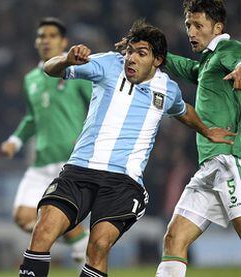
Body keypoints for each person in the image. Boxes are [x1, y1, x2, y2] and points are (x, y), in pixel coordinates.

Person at [18, 19, 235, 277]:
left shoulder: (167, 88)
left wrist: (206, 130)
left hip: (124, 182)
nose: (131, 58)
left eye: (141, 53)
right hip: (79, 170)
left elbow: (183, 110)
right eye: (130, 51)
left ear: (157, 60)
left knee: (98, 246)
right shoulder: (108, 64)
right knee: (43, 230)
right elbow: (49, 69)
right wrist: (66, 60)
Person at [154, 1, 241, 276]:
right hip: (209, 167)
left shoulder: (227, 50)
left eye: (198, 25)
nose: (191, 31)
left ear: (218, 28)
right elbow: (188, 69)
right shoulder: (208, 63)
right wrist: (154, 53)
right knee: (174, 238)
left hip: (230, 160)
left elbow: (239, 60)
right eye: (188, 25)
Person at [1, 17, 91, 261]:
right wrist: (15, 141)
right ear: (36, 42)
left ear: (63, 42)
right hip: (40, 162)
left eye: (52, 36)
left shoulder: (77, 73)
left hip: (69, 163)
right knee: (22, 217)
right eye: (42, 36)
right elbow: (32, 118)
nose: (46, 40)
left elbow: (97, 103)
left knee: (54, 215)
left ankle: (79, 243)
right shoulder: (31, 79)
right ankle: (79, 238)